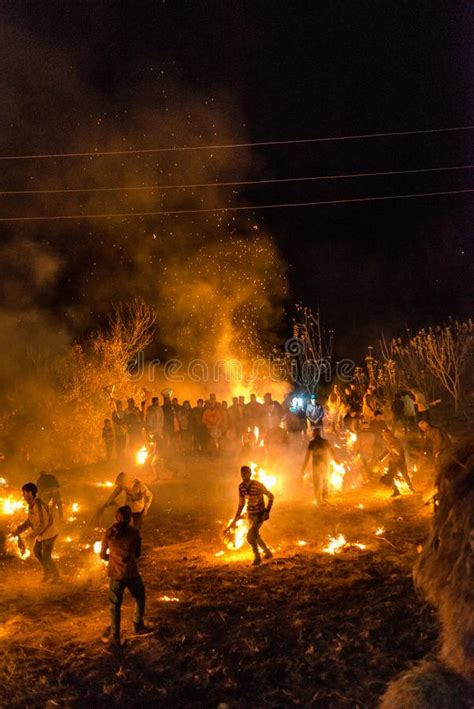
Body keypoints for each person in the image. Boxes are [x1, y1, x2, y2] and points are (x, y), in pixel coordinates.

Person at [100, 505, 146, 647]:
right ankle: (137, 625)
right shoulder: (134, 532)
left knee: (115, 606)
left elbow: (102, 555)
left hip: (115, 574)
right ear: (129, 518)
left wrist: (113, 559)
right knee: (140, 597)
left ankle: (115, 636)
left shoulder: (109, 533)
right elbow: (137, 554)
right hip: (131, 573)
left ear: (116, 517)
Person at [225, 465, 274, 566]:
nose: (243, 475)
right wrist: (236, 518)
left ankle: (257, 558)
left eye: (246, 473)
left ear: (250, 474)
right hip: (250, 515)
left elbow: (271, 496)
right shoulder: (241, 487)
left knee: (250, 536)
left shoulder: (257, 485)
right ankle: (267, 553)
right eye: (242, 473)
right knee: (255, 535)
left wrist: (267, 512)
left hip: (259, 514)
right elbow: (241, 504)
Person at [13, 482, 59, 583]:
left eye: (24, 493)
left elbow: (43, 524)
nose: (23, 496)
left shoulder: (38, 506)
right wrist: (19, 529)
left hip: (49, 535)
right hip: (42, 535)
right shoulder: (32, 505)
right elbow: (30, 521)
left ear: (30, 493)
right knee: (37, 552)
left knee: (46, 556)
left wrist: (32, 535)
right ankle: (48, 573)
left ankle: (56, 577)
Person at [301, 428, 336, 504]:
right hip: (325, 464)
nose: (312, 434)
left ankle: (318, 500)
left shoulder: (312, 443)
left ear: (314, 434)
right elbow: (331, 451)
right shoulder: (325, 442)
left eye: (313, 433)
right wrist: (336, 460)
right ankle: (325, 497)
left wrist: (303, 468)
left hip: (316, 465)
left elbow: (307, 456)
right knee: (325, 480)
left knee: (316, 482)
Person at [378, 429, 414, 497]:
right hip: (392, 461)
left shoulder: (396, 441)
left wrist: (398, 461)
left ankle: (411, 488)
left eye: (385, 435)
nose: (384, 437)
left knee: (405, 475)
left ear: (388, 435)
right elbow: (387, 451)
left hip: (400, 462)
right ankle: (396, 491)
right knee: (390, 477)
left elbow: (400, 452)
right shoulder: (388, 442)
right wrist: (380, 458)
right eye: (383, 436)